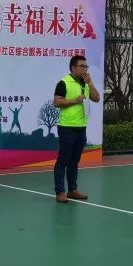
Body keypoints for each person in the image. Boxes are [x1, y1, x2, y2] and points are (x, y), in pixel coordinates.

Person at [52, 55, 100, 203]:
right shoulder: (64, 82)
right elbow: (56, 102)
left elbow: (96, 98)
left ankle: (72, 190)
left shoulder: (86, 83)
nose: (85, 69)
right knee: (63, 160)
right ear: (73, 67)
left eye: (86, 66)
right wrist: (76, 100)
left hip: (81, 127)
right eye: (82, 66)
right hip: (67, 127)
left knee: (74, 161)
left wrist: (90, 83)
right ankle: (60, 192)